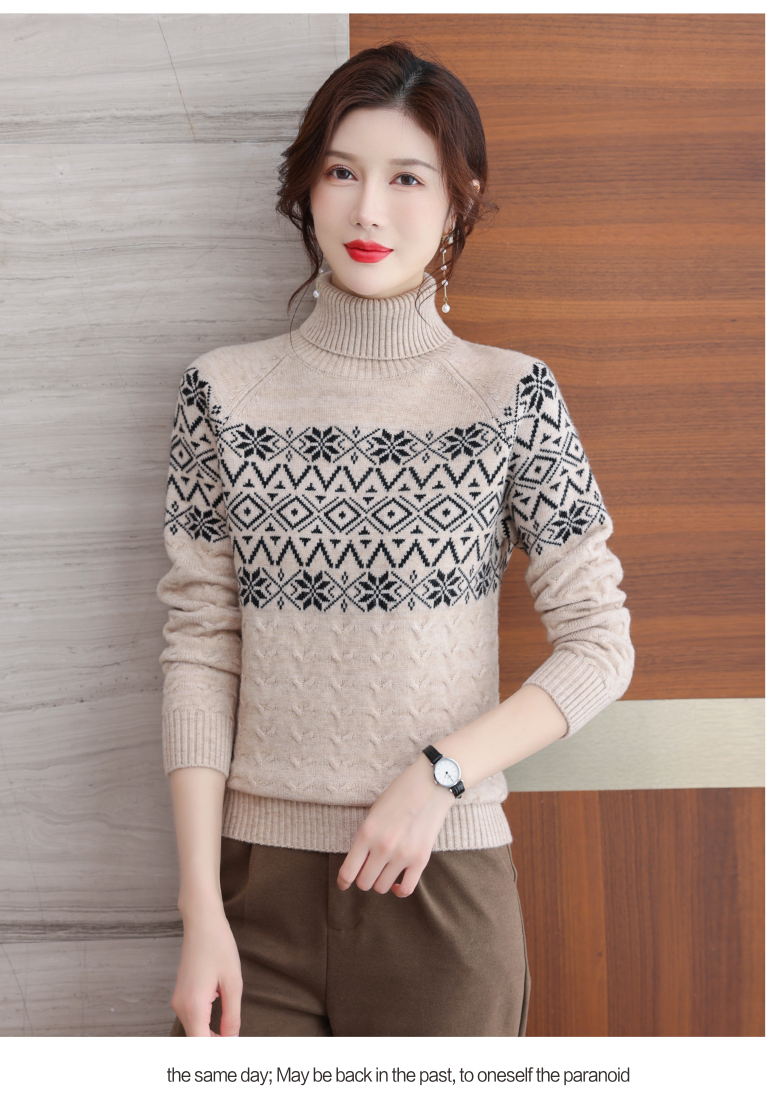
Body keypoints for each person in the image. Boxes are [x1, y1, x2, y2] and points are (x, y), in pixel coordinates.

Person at [158, 41, 634, 1038]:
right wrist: (202, 908)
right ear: (306, 189)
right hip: (256, 901)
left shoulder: (511, 395)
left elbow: (600, 645)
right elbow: (200, 648)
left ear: (460, 200)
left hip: (444, 888)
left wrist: (440, 773)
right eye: (342, 172)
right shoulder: (222, 393)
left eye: (407, 179)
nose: (368, 210)